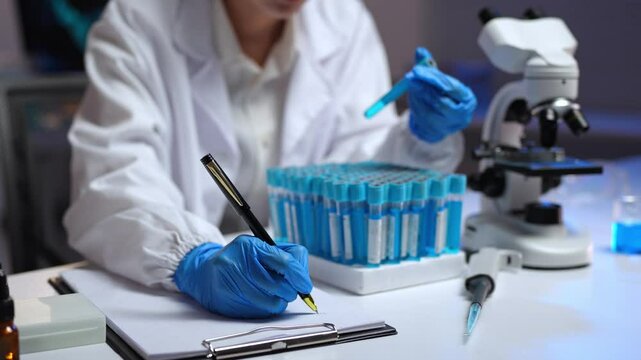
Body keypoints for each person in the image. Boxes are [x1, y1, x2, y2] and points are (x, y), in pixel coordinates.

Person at [64, 0, 477, 319]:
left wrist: (419, 139)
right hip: (175, 305)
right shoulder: (138, 21)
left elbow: (357, 163)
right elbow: (113, 176)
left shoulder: (342, 19)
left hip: (316, 288)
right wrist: (191, 259)